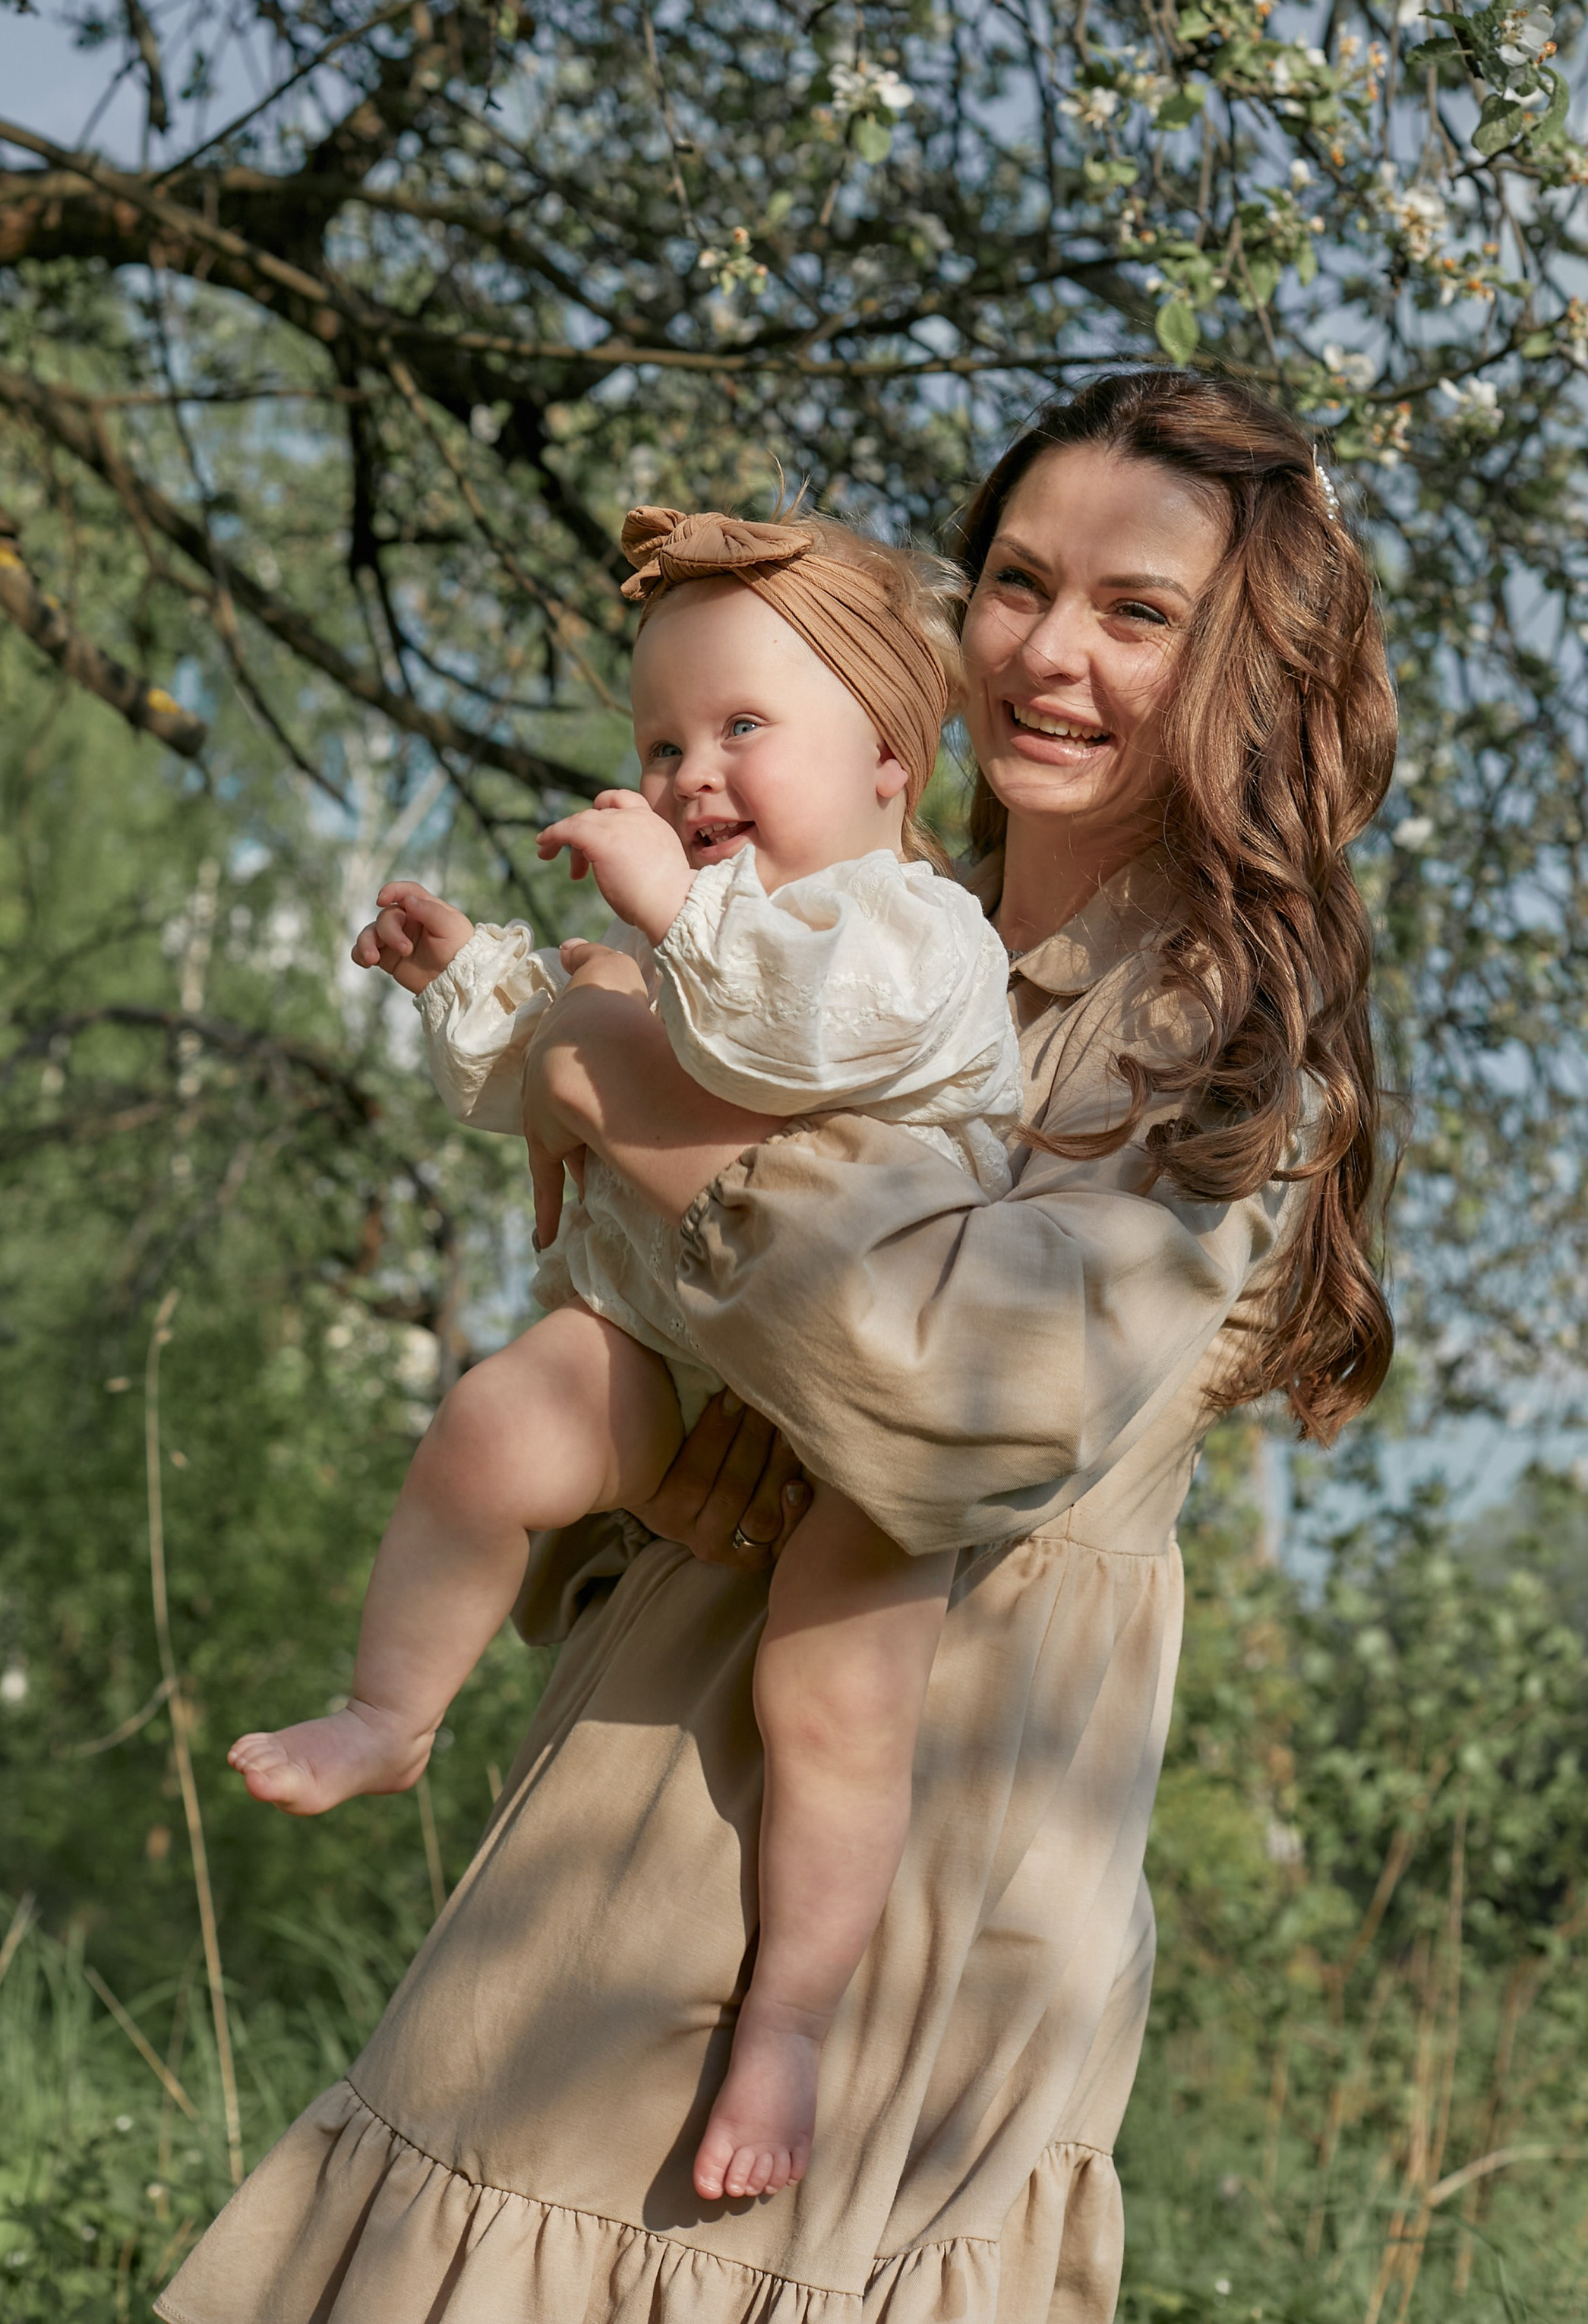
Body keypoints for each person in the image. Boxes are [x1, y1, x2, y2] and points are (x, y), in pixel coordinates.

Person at [159, 367, 1397, 2324]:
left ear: (1250, 666)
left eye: (1136, 612)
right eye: (1012, 582)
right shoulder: (873, 924)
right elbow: (670, 1324)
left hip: (917, 1832)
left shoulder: (1218, 1036)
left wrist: (596, 1071)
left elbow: (944, 1403)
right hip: (651, 1730)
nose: (1048, 653)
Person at [228, 507, 1020, 2200]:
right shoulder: (707, 933)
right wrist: (473, 986)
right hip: (687, 1351)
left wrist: (658, 924)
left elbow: (765, 1037)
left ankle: (786, 2023)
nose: (688, 774)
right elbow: (556, 1065)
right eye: (661, 741)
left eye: (744, 729)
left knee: (832, 1697)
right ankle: (389, 1707)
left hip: (871, 1411)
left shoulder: (908, 938)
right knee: (494, 1420)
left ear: (890, 760)